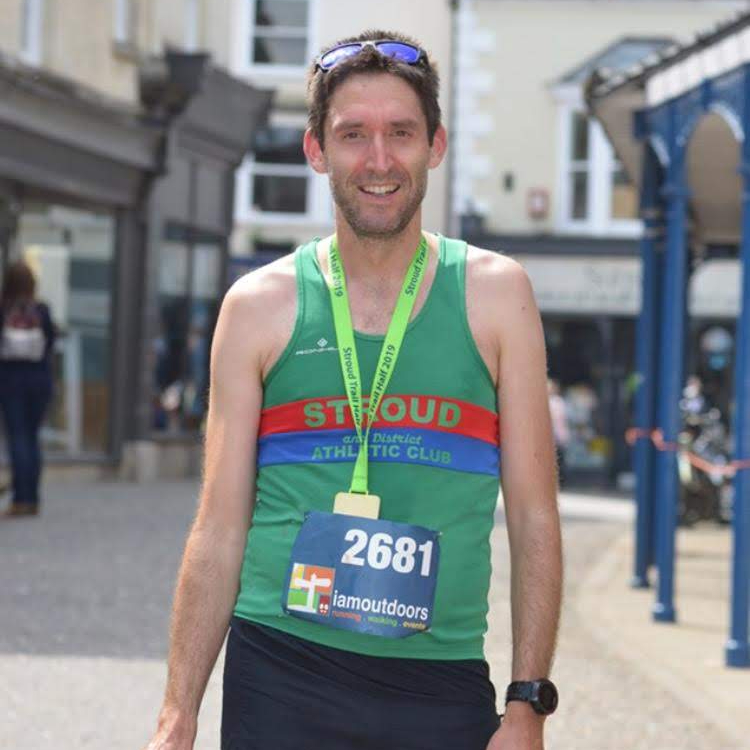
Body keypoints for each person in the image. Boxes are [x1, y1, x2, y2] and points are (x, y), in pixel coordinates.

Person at [145, 30, 562, 750]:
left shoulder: (497, 297)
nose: (378, 160)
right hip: (280, 671)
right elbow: (219, 526)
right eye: (352, 135)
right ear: (316, 149)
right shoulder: (258, 306)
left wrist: (528, 705)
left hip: (438, 681)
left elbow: (533, 516)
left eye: (400, 133)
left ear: (435, 145)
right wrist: (177, 715)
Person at [0, 260, 56, 517]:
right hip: (39, 380)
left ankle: (20, 499)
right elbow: (50, 342)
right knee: (32, 438)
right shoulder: (41, 310)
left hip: (11, 380)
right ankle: (32, 497)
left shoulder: (4, 309)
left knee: (18, 438)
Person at [547, 379, 570, 487]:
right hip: (555, 435)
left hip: (557, 435)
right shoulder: (558, 402)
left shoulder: (557, 402)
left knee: (558, 460)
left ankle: (560, 481)